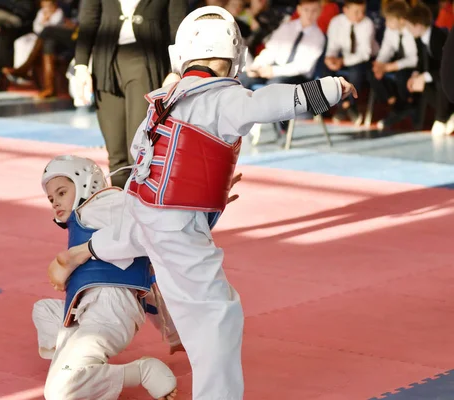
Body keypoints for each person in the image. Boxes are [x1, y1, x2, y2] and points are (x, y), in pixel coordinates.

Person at [48, 6, 357, 399]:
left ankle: (86, 250)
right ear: (235, 56)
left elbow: (146, 157)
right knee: (217, 319)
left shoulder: (165, 96)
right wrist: (329, 89)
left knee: (133, 237)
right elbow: (269, 104)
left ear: (183, 54)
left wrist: (202, 187)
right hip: (175, 228)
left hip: (143, 210)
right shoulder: (223, 98)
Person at [37, 155, 179, 400]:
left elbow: (147, 227)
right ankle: (76, 364)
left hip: (110, 310)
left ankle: (139, 371)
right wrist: (173, 332)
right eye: (51, 199)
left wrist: (189, 207)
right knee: (42, 310)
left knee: (59, 393)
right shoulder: (87, 217)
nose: (55, 203)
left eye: (61, 193)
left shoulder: (106, 203)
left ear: (85, 182)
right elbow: (146, 281)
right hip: (86, 309)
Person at [72, 0, 188, 188]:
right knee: (115, 153)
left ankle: (142, 208)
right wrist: (81, 66)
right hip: (106, 64)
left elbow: (178, 25)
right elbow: (88, 21)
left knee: (140, 149)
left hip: (147, 64)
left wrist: (176, 69)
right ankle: (120, 209)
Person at [404, 2, 454, 135]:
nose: (408, 30)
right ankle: (447, 115)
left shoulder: (438, 37)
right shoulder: (419, 38)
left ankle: (442, 117)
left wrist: (424, 76)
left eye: (410, 27)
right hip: (435, 73)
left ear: (418, 25)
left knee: (440, 83)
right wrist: (416, 75)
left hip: (447, 74)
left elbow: (445, 67)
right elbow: (421, 61)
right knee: (420, 85)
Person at [324, 0, 378, 124]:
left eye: (363, 11)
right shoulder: (336, 22)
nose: (360, 15)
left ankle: (345, 105)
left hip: (365, 59)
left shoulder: (367, 23)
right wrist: (330, 58)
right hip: (343, 57)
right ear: (346, 10)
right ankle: (345, 105)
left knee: (356, 72)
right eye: (356, 12)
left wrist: (342, 61)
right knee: (326, 70)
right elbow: (332, 46)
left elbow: (365, 53)